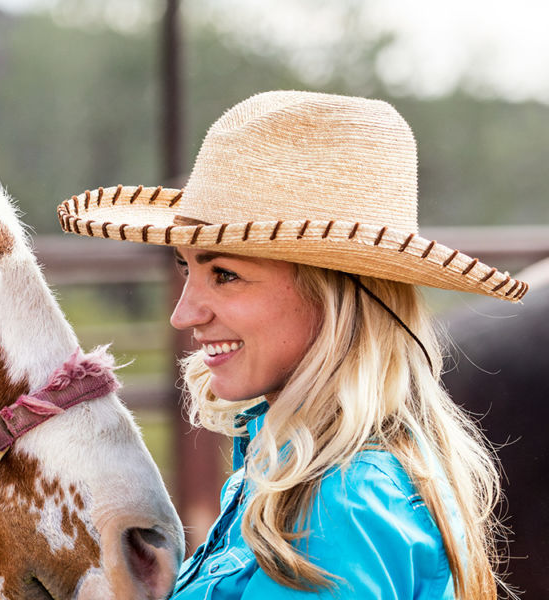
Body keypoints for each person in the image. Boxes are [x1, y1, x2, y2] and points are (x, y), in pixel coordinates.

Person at [57, 91, 525, 599]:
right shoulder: (292, 474)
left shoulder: (339, 507)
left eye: (226, 274)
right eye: (185, 267)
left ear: (336, 293)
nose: (184, 313)